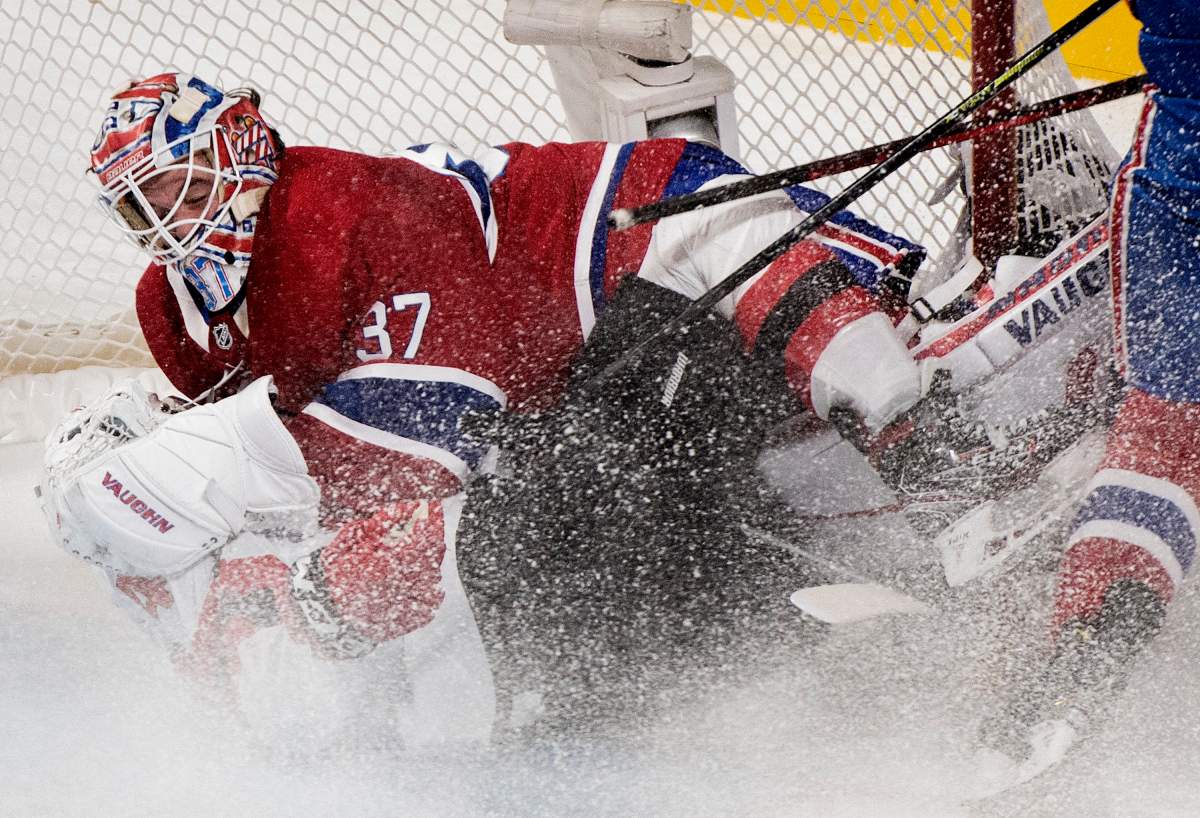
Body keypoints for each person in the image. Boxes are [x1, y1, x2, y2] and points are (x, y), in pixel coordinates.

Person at [44, 71, 929, 737]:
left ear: (240, 151)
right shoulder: (172, 309)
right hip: (564, 380)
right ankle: (789, 650)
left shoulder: (336, 209)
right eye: (139, 203)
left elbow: (428, 434)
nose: (160, 218)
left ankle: (932, 450)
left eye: (177, 183)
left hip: (636, 229)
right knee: (575, 537)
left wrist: (306, 559)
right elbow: (341, 461)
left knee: (860, 356)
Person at [975, 0, 1200, 786]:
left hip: (1182, 168)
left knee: (1165, 437)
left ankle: (1079, 663)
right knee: (1166, 434)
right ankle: (1081, 662)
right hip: (1183, 170)